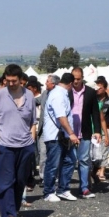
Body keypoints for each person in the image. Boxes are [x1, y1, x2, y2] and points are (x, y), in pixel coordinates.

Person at [0, 64, 36, 217]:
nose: (11, 84)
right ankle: (7, 215)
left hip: (25, 145)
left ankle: (14, 210)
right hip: (5, 145)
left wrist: (32, 139)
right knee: (6, 181)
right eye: (7, 81)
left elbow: (33, 121)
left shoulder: (29, 95)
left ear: (21, 80)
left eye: (14, 81)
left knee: (20, 181)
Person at [65, 66, 102, 199]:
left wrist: (97, 130)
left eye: (78, 79)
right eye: (74, 79)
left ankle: (84, 188)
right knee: (68, 161)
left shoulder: (91, 92)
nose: (76, 82)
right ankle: (64, 188)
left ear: (83, 79)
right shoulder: (66, 92)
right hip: (68, 132)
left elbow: (95, 113)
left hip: (84, 131)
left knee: (84, 160)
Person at [42, 73, 76, 202]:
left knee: (70, 160)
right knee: (53, 164)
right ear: (71, 84)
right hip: (55, 136)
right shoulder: (58, 95)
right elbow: (61, 117)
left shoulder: (61, 94)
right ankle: (48, 192)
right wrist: (72, 133)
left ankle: (63, 189)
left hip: (63, 135)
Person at [94, 78, 109, 182]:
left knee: (105, 149)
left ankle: (102, 170)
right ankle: (96, 169)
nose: (98, 89)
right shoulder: (93, 98)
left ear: (105, 88)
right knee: (95, 151)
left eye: (100, 87)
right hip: (94, 127)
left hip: (105, 128)